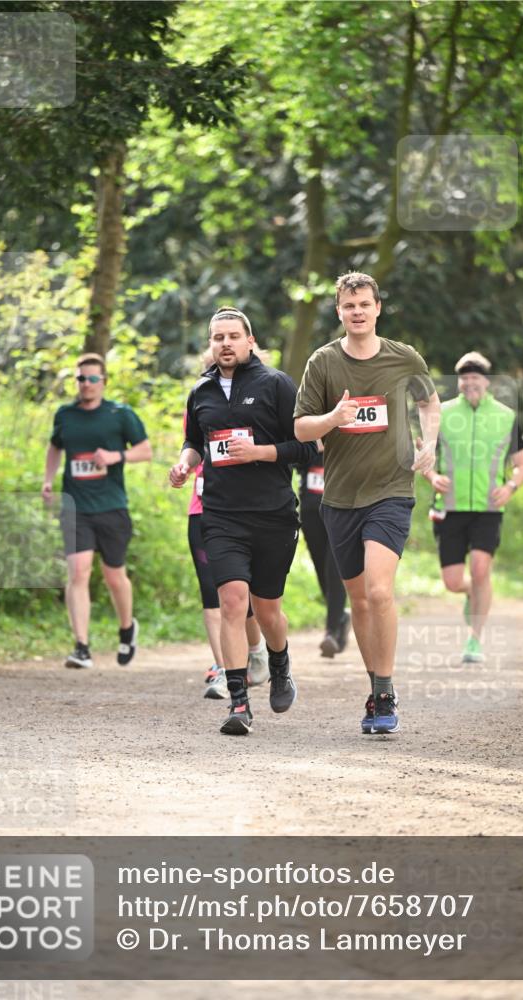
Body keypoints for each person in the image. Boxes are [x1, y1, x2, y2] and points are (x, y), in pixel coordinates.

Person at [294, 272, 440, 735]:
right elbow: (300, 429)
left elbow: (430, 402)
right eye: (348, 305)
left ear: (378, 308)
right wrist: (333, 417)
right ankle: (375, 687)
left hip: (391, 490)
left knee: (379, 592)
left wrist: (429, 443)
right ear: (339, 312)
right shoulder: (323, 363)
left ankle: (386, 689)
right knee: (358, 600)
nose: (357, 312)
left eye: (364, 304)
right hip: (338, 497)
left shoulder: (404, 357)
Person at [170, 305, 317, 735]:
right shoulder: (201, 391)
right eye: (218, 338)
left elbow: (308, 449)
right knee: (233, 602)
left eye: (233, 336)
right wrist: (184, 464)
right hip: (220, 515)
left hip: (272, 514)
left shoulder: (276, 385)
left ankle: (280, 663)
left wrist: (260, 453)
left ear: (249, 341)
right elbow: (194, 442)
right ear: (211, 344)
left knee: (267, 608)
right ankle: (238, 704)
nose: (225, 344)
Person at [42, 353, 152, 669]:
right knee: (78, 572)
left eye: (92, 379)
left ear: (103, 382)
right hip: (75, 506)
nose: (86, 384)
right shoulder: (64, 415)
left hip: (112, 507)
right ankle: (81, 646)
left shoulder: (120, 414)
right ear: (75, 381)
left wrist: (116, 456)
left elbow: (146, 451)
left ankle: (127, 627)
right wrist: (48, 479)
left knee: (114, 576)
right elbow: (55, 446)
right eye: (81, 378)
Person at [423, 351, 523, 664]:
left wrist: (510, 487)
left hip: (488, 508)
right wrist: (432, 475)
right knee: (453, 582)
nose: (470, 382)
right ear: (459, 382)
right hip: (450, 507)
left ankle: (475, 640)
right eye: (464, 377)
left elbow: (522, 465)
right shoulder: (440, 414)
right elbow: (425, 458)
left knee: (481, 569)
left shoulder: (505, 417)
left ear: (487, 381)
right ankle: (472, 592)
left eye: (476, 377)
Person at [186, 416, 269, 700]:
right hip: (202, 509)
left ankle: (257, 652)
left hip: (245, 509)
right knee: (213, 594)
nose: (216, 368)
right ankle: (225, 670)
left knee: (241, 596)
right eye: (209, 366)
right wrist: (184, 465)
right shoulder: (199, 399)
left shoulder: (259, 396)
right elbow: (193, 444)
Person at [297, 445, 350, 658]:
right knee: (321, 569)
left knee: (333, 568)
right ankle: (340, 618)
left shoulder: (347, 417)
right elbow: (293, 457)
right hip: (311, 508)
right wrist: (311, 444)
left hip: (341, 507)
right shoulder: (306, 419)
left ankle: (331, 631)